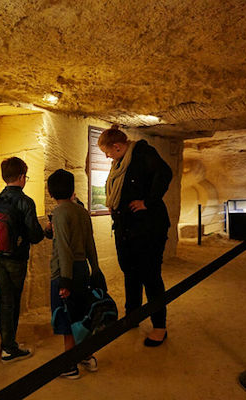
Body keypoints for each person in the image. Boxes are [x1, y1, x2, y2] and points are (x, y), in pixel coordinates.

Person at [98, 125, 172, 347]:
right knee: (130, 273)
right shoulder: (120, 163)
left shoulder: (142, 154)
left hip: (148, 228)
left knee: (150, 276)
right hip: (126, 228)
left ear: (118, 146)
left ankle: (159, 326)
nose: (107, 156)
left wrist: (147, 202)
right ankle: (133, 316)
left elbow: (165, 173)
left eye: (107, 151)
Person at [0, 157, 44, 362]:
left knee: (5, 300)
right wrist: (45, 230)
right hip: (16, 260)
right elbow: (35, 236)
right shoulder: (25, 201)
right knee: (13, 301)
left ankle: (7, 344)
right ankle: (9, 348)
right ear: (22, 177)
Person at [47, 169, 100, 379]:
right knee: (81, 315)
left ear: (51, 192)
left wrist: (64, 281)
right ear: (72, 189)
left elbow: (64, 250)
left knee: (66, 318)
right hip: (82, 269)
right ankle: (86, 355)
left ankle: (69, 365)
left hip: (65, 272)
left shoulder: (59, 213)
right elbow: (90, 243)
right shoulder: (81, 211)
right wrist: (95, 269)